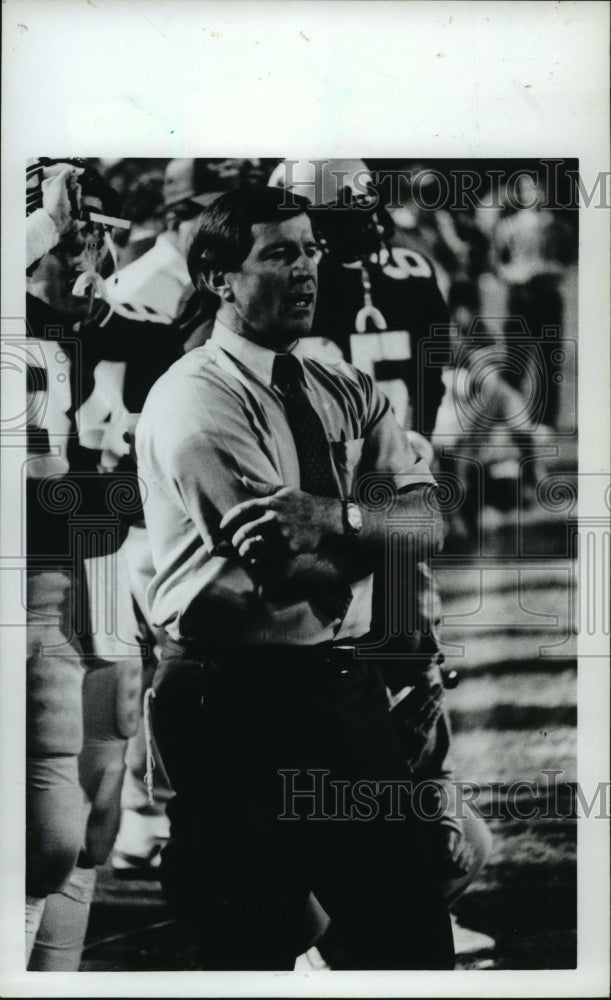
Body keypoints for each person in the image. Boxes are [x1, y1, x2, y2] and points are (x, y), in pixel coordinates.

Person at [136, 186, 457, 971]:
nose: (308, 268)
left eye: (309, 248)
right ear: (218, 278)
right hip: (235, 700)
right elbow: (283, 567)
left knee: (413, 931)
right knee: (253, 948)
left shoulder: (336, 385)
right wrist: (377, 533)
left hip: (337, 687)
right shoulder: (195, 396)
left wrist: (337, 518)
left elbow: (430, 526)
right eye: (279, 252)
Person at [24, 161, 181, 970]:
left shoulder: (126, 326)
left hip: (104, 574)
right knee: (41, 837)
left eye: (96, 232)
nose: (92, 251)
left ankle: (53, 975)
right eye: (73, 233)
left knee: (93, 821)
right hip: (29, 586)